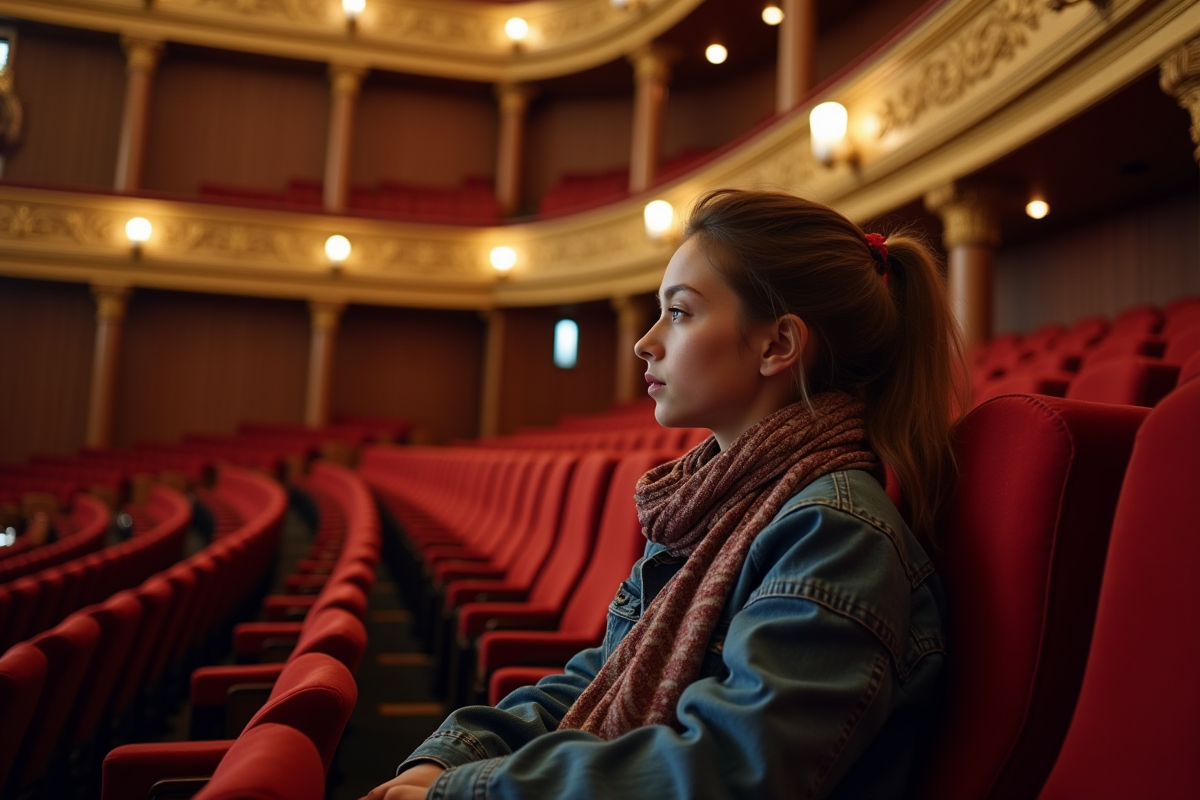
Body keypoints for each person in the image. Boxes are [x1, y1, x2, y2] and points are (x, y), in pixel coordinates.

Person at [363, 188, 967, 800]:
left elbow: (733, 769)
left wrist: (476, 792)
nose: (644, 342)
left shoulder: (837, 535)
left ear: (777, 345)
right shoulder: (708, 503)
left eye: (679, 313)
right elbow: (603, 676)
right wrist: (449, 760)